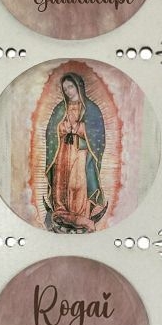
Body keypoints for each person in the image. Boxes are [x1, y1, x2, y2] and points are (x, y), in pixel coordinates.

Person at [43, 72, 107, 232]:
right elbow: (51, 131)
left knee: (77, 184)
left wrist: (79, 128)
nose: (68, 91)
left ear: (78, 86)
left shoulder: (91, 109)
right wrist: (62, 128)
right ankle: (61, 212)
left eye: (71, 87)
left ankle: (80, 215)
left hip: (81, 152)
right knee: (61, 182)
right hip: (62, 152)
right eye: (65, 89)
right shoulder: (60, 108)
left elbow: (98, 133)